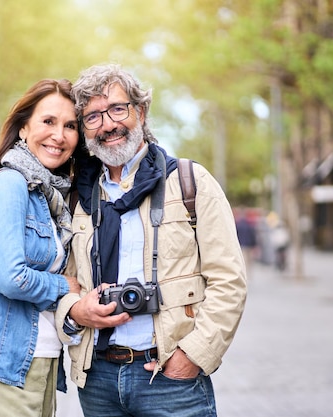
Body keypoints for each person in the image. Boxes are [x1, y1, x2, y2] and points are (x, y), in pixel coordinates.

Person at [55, 64, 247, 417]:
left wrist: (194, 355)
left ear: (140, 111)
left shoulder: (190, 182)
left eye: (117, 108)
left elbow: (229, 280)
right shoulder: (77, 198)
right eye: (93, 117)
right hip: (97, 380)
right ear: (84, 130)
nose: (108, 124)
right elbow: (63, 282)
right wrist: (75, 310)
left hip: (171, 380)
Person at [0, 79, 83, 417]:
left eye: (70, 126)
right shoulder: (9, 186)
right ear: (24, 128)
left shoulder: (49, 196)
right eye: (48, 122)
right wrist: (64, 286)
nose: (59, 135)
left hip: (39, 358)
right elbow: (11, 278)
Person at [235, 207, 257, 277]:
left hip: (241, 245)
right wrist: (254, 245)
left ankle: (244, 274)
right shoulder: (249, 224)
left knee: (243, 261)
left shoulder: (237, 225)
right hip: (249, 245)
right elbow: (253, 235)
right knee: (249, 261)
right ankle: (249, 274)